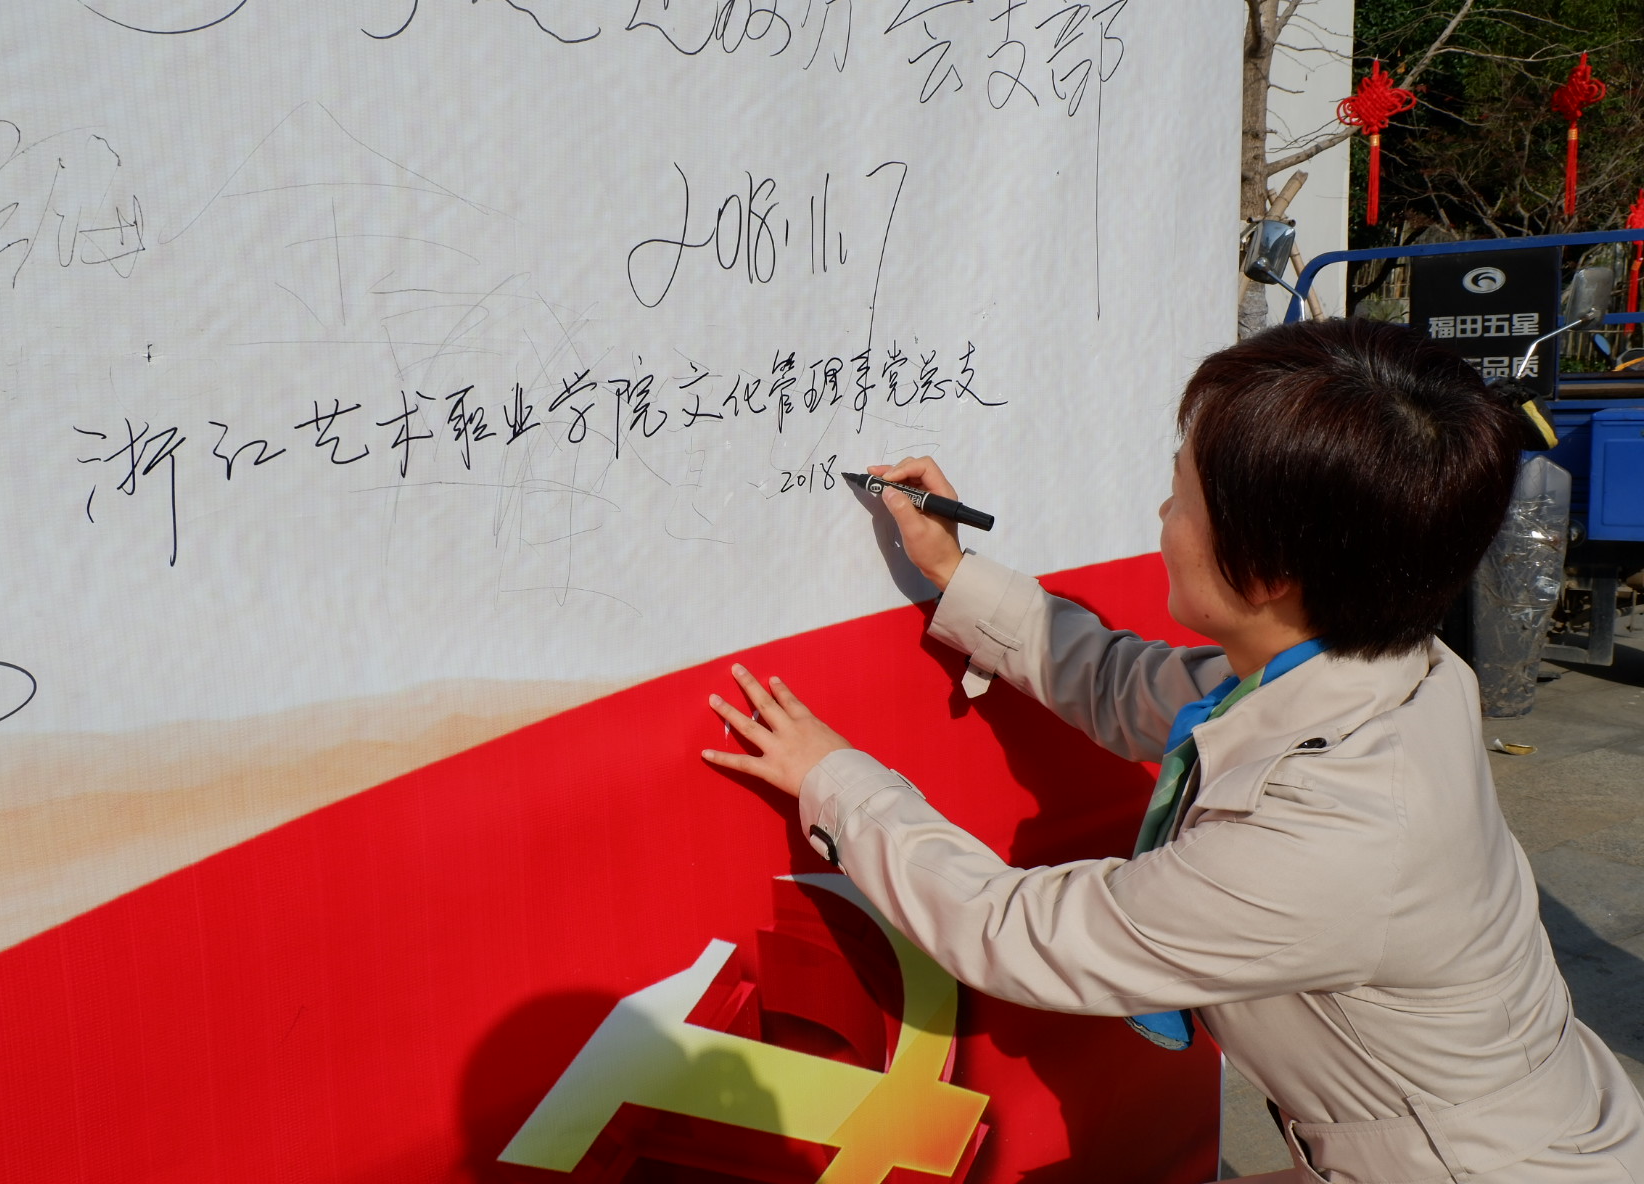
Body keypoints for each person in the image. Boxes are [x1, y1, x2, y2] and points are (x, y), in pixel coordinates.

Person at [702, 318, 1644, 1183]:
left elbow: (1015, 931)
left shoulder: (1333, 834)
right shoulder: (1393, 667)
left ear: (1267, 571)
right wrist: (954, 571)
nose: (1162, 510)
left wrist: (835, 781)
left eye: (1183, 494)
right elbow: (1128, 685)